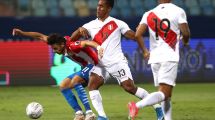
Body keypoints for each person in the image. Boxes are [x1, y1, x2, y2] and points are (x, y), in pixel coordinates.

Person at [70, 0, 164, 120]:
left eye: (102, 6)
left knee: (130, 88)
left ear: (109, 9)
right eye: (98, 6)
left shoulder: (118, 23)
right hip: (101, 64)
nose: (98, 8)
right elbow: (72, 40)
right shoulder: (89, 25)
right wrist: (78, 31)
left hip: (117, 62)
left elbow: (134, 36)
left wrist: (141, 37)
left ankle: (157, 107)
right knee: (92, 85)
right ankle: (102, 117)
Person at [12, 28, 104, 120]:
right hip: (85, 67)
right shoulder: (57, 42)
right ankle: (79, 113)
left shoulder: (72, 46)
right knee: (63, 86)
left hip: (95, 65)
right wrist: (22, 33)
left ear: (62, 44)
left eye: (55, 48)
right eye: (52, 48)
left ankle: (89, 113)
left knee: (76, 80)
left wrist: (99, 48)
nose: (54, 51)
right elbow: (39, 36)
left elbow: (86, 43)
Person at [128, 0, 191, 120]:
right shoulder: (178, 11)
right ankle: (136, 106)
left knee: (165, 96)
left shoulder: (149, 13)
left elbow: (137, 34)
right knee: (164, 93)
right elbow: (186, 33)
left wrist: (145, 51)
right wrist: (185, 41)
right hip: (169, 57)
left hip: (155, 59)